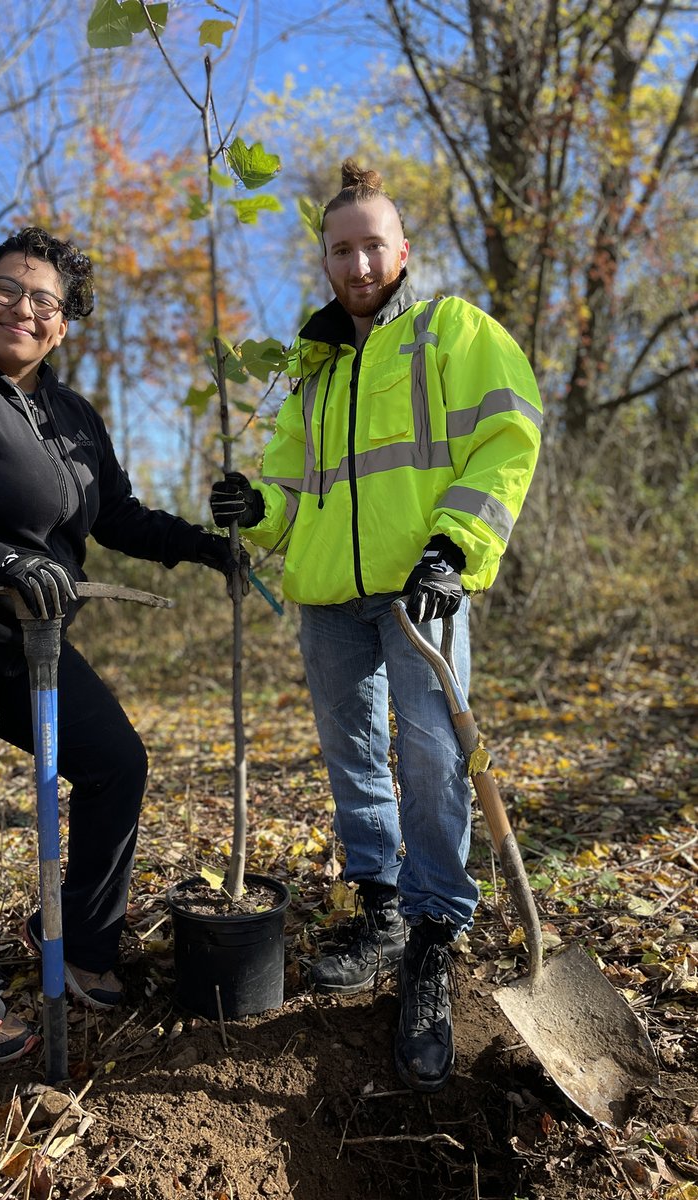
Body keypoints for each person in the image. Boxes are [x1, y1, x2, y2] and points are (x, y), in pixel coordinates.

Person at [0, 226, 246, 1064]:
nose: (22, 308)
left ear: (63, 326)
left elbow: (118, 515)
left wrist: (205, 545)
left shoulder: (71, 415)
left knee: (116, 764)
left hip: (30, 642)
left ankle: (82, 938)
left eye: (44, 301)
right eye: (6, 287)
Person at [210, 161, 541, 1092]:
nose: (357, 263)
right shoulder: (310, 370)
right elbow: (293, 490)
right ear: (323, 260)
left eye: (372, 246)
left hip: (420, 586)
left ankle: (437, 929)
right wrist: (255, 505)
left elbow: (508, 436)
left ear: (403, 251)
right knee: (353, 751)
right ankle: (383, 907)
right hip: (328, 597)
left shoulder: (452, 332)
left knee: (433, 750)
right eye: (340, 249)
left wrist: (457, 543)